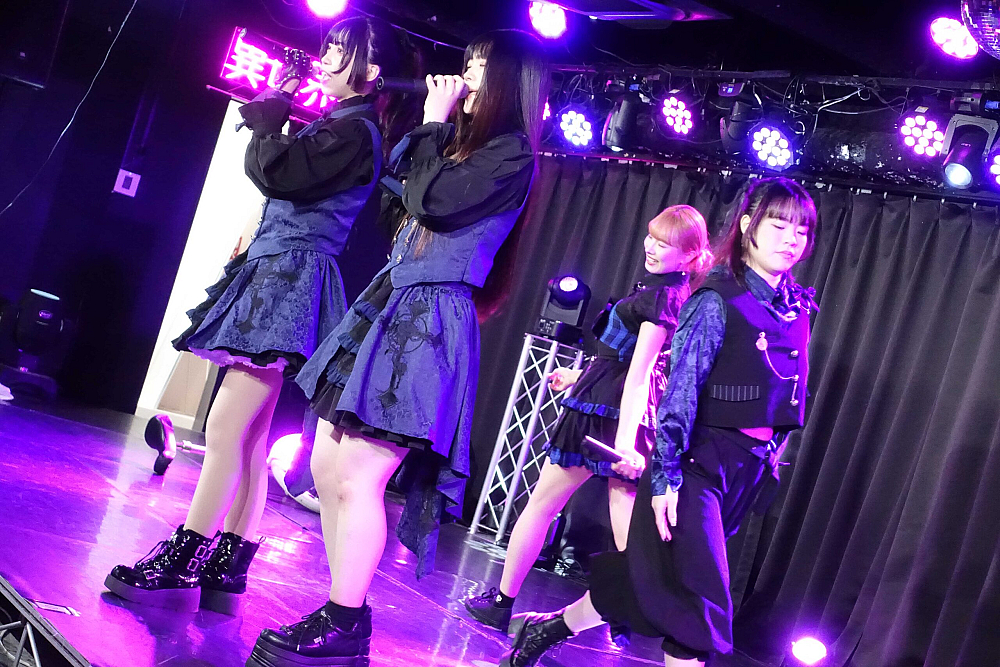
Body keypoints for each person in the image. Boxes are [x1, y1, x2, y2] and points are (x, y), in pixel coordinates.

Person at [244, 29, 550, 667]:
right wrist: (434, 129)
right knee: (327, 465)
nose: (467, 74)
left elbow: (434, 203)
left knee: (360, 474)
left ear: (509, 82)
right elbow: (403, 191)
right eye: (468, 62)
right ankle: (341, 613)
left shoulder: (512, 154)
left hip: (430, 319)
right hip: (391, 301)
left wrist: (435, 124)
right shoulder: (463, 145)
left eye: (480, 66)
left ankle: (345, 620)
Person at [104, 17, 420, 615]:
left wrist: (272, 119)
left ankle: (183, 557)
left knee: (226, 429)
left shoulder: (356, 132)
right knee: (246, 434)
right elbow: (280, 180)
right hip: (280, 274)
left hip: (290, 282)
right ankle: (229, 563)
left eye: (341, 50)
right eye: (328, 46)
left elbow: (278, 173)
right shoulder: (341, 125)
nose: (326, 57)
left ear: (372, 71)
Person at [500, 177, 819, 667]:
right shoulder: (716, 299)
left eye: (801, 230)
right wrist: (667, 476)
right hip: (696, 466)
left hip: (746, 467)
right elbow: (679, 392)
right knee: (699, 609)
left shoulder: (794, 306)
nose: (791, 239)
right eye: (778, 225)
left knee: (650, 579)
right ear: (747, 225)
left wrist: (769, 456)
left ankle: (549, 628)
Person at [463, 205, 713, 639]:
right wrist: (580, 376)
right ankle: (631, 613)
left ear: (689, 255)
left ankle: (503, 604)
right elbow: (627, 362)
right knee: (627, 536)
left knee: (546, 507)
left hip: (608, 416)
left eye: (665, 243)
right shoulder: (666, 292)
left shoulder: (663, 297)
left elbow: (640, 373)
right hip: (611, 405)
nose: (652, 247)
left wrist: (624, 444)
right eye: (652, 237)